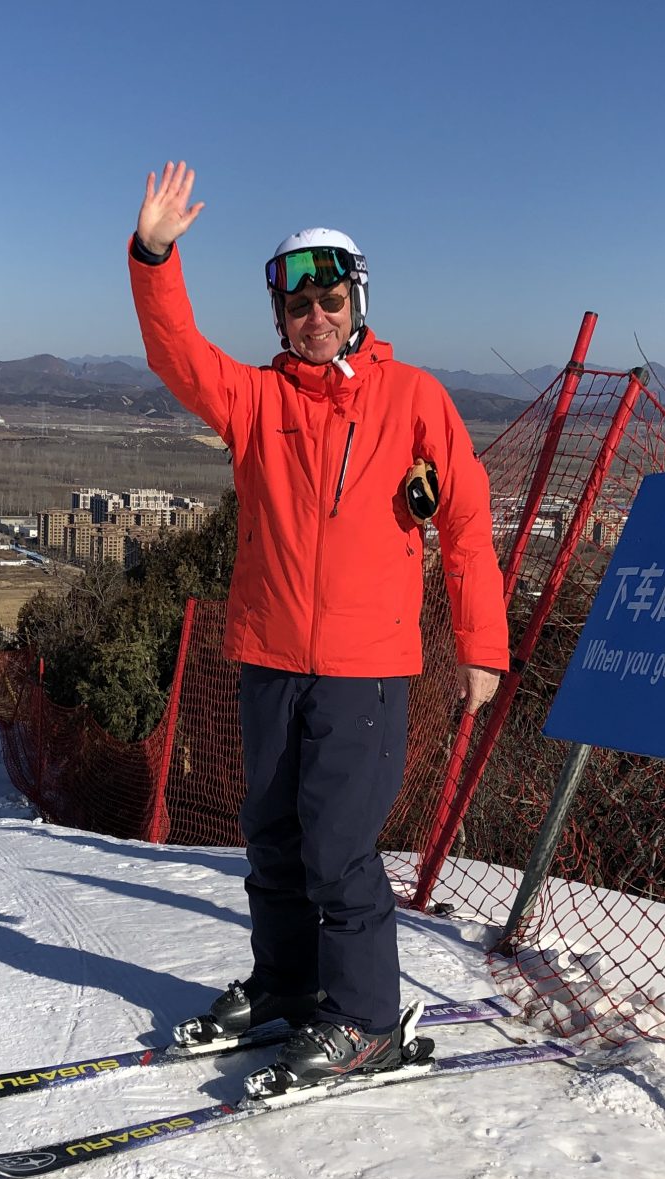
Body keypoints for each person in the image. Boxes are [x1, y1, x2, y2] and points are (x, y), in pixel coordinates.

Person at [129, 163, 510, 1092]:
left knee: (339, 850)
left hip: (365, 667)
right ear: (281, 317)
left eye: (331, 299)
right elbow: (178, 354)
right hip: (268, 656)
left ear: (357, 301)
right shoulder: (257, 402)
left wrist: (481, 647)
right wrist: (153, 253)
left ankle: (366, 1019)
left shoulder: (414, 396)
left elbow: (463, 519)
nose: (316, 317)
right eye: (299, 307)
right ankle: (287, 988)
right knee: (273, 839)